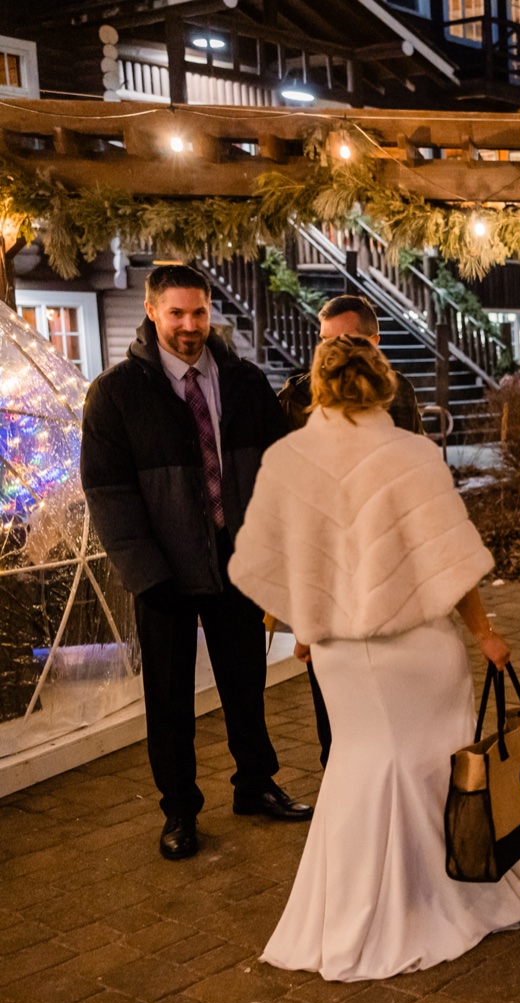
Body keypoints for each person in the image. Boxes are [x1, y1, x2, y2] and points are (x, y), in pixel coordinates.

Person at [229, 335, 520, 981]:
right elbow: (449, 561)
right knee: (434, 769)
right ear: (382, 384)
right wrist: (485, 634)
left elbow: (286, 560)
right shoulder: (412, 455)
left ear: (317, 387)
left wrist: (309, 632)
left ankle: (353, 908)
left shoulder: (290, 459)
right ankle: (449, 889)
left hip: (344, 656)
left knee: (360, 770)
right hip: (419, 651)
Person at [81, 264, 310, 862]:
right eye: (177, 313)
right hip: (164, 572)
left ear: (211, 311)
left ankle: (255, 784)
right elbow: (107, 492)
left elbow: (279, 469)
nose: (189, 326)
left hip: (238, 562)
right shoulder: (116, 393)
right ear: (152, 312)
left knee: (245, 684)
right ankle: (180, 808)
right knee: (170, 698)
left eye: (199, 312)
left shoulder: (243, 383)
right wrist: (145, 573)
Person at [277, 294, 425, 768]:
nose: (334, 355)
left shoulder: (399, 390)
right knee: (334, 694)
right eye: (325, 343)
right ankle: (341, 776)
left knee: (394, 688)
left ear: (376, 342)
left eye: (348, 341)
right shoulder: (294, 400)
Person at [277, 294, 423, 433]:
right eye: (326, 340)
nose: (330, 349)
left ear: (372, 343)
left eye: (343, 340)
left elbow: (415, 453)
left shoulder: (399, 390)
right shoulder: (298, 395)